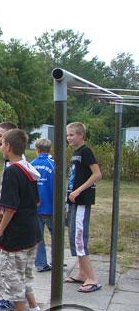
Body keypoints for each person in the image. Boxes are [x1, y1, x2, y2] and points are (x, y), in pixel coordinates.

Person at [0, 129, 42, 311]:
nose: (0, 147)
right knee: (25, 275)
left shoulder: (11, 171)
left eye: (2, 144)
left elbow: (10, 208)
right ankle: (35, 310)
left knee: (15, 279)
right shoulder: (29, 168)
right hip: (32, 231)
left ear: (9, 146)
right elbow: (35, 201)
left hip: (17, 236)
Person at [64, 122, 102, 293]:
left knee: (79, 239)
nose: (68, 138)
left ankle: (92, 279)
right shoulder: (76, 152)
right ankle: (81, 273)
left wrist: (78, 191)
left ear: (81, 135)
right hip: (73, 201)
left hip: (81, 201)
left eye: (72, 135)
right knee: (73, 236)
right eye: (67, 135)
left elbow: (97, 174)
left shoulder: (85, 151)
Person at [0, 121, 20, 311]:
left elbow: (13, 204)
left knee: (9, 261)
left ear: (10, 141)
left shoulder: (14, 167)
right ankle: (17, 300)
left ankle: (10, 300)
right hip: (9, 218)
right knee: (6, 259)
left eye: (0, 135)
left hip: (12, 224)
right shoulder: (9, 163)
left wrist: (0, 230)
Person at [31, 138, 55, 272]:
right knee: (56, 236)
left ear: (37, 150)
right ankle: (56, 261)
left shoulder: (31, 165)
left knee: (38, 237)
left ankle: (40, 263)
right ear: (50, 150)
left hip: (35, 208)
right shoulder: (53, 165)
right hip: (51, 207)